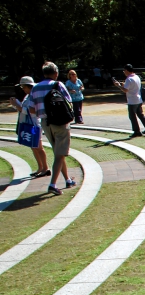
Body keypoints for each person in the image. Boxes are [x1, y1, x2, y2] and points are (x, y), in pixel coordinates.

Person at [30, 62, 76, 195]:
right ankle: (53, 184)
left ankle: (67, 179)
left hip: (45, 122)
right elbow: (69, 102)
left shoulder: (35, 87)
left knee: (58, 153)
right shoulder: (58, 85)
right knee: (59, 154)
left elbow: (32, 108)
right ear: (55, 73)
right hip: (60, 122)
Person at [9, 76, 50, 177]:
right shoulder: (28, 96)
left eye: (23, 87)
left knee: (38, 147)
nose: (23, 89)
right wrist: (16, 105)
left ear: (28, 86)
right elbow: (24, 109)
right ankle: (40, 167)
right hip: (28, 123)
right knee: (33, 147)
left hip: (34, 124)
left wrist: (17, 106)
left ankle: (45, 168)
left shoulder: (34, 95)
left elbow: (32, 111)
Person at [114, 64, 145, 138]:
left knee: (132, 116)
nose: (124, 72)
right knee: (140, 115)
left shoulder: (129, 79)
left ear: (127, 70)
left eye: (124, 70)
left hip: (132, 100)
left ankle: (136, 131)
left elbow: (125, 90)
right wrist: (123, 85)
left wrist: (118, 85)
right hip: (138, 98)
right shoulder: (136, 77)